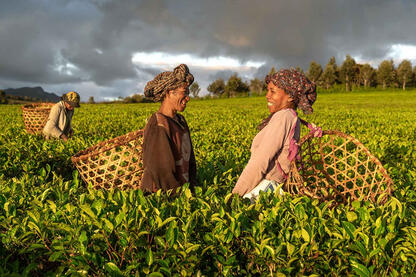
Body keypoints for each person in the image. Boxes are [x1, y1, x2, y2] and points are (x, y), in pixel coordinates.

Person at [232, 68, 317, 201]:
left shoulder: (283, 117)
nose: (267, 95)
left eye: (273, 91)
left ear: (290, 96)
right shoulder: (290, 116)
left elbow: (261, 160)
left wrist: (236, 194)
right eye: (268, 90)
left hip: (267, 186)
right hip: (272, 186)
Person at [141, 64, 197, 194]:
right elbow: (162, 171)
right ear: (169, 93)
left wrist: (193, 190)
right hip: (162, 197)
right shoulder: (158, 124)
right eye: (184, 92)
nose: (188, 98)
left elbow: (190, 162)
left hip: (183, 193)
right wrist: (178, 197)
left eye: (188, 93)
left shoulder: (181, 121)